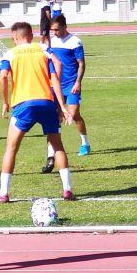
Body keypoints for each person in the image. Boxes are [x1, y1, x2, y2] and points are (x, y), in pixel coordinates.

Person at [0, 22, 76, 203]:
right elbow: (55, 74)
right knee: (58, 146)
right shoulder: (43, 50)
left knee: (11, 148)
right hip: (47, 102)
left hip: (24, 105)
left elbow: (3, 76)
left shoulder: (10, 53)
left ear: (14, 38)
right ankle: (67, 190)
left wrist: (6, 102)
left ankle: (4, 193)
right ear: (31, 35)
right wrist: (61, 106)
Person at [46, 15, 90, 164]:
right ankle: (51, 153)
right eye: (52, 30)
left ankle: (85, 143)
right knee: (54, 117)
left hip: (71, 84)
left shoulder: (75, 41)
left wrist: (78, 82)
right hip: (56, 85)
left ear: (65, 27)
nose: (54, 32)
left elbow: (82, 64)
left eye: (57, 29)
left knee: (74, 113)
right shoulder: (52, 41)